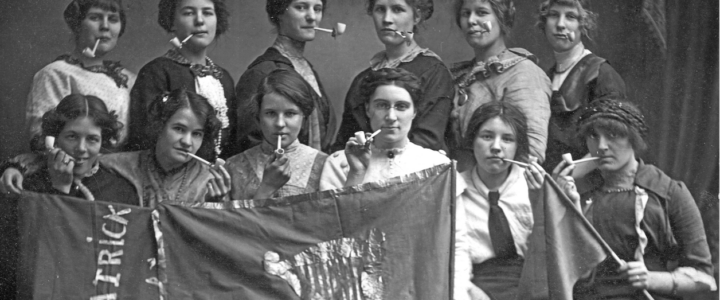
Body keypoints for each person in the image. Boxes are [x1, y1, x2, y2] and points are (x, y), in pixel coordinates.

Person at [552, 99, 716, 299]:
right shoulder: (578, 193)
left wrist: (651, 279)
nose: (602, 146)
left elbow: (705, 279)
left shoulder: (669, 193)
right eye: (594, 136)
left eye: (613, 135)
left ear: (633, 139)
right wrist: (558, 201)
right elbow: (560, 269)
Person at [332, 0, 454, 153]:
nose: (387, 19)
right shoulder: (362, 80)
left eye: (397, 9)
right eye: (380, 9)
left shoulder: (434, 73)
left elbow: (427, 142)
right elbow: (343, 144)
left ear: (417, 16)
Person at [454, 101, 546, 300]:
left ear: (517, 146)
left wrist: (540, 200)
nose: (496, 147)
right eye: (487, 136)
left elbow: (551, 251)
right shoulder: (455, 189)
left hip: (532, 287)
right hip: (474, 290)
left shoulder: (534, 185)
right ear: (472, 141)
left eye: (507, 139)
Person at [126, 0, 236, 158]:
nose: (200, 20)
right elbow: (143, 141)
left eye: (207, 12)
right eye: (189, 13)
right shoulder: (157, 73)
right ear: (171, 22)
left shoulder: (224, 79)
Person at [449, 0, 551, 170]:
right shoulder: (462, 75)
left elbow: (531, 152)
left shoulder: (523, 73)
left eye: (481, 12)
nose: (471, 20)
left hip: (498, 187)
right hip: (458, 183)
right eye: (466, 13)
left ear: (501, 18)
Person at [26, 0, 136, 149]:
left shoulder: (129, 79)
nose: (105, 26)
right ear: (77, 23)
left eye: (113, 19)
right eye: (95, 17)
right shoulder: (56, 74)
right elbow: (43, 138)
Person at [320, 68, 450, 189]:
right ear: (368, 109)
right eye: (382, 105)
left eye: (401, 106)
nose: (391, 117)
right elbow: (333, 214)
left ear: (414, 112)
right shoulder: (339, 164)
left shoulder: (437, 165)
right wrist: (356, 173)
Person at [234, 0, 336, 155]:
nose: (312, 17)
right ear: (279, 12)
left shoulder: (306, 69)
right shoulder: (261, 72)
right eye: (301, 7)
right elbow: (250, 147)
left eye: (317, 9)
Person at [102, 88, 231, 207]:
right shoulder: (115, 166)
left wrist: (212, 206)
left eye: (196, 134)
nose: (187, 142)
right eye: (179, 129)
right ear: (159, 126)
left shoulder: (209, 182)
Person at [537, 0, 627, 170]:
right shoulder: (545, 77)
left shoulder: (602, 75)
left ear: (584, 24)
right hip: (551, 181)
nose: (560, 24)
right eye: (554, 15)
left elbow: (612, 143)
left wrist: (567, 178)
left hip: (589, 182)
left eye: (570, 16)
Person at [2, 94, 138, 205]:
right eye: (72, 137)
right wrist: (60, 188)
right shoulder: (26, 183)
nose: (81, 148)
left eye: (92, 139)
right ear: (55, 138)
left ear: (103, 141)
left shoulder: (120, 191)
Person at [225, 70, 327, 200]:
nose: (280, 124)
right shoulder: (234, 167)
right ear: (258, 117)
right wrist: (267, 188)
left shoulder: (324, 164)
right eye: (270, 113)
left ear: (304, 117)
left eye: (290, 113)